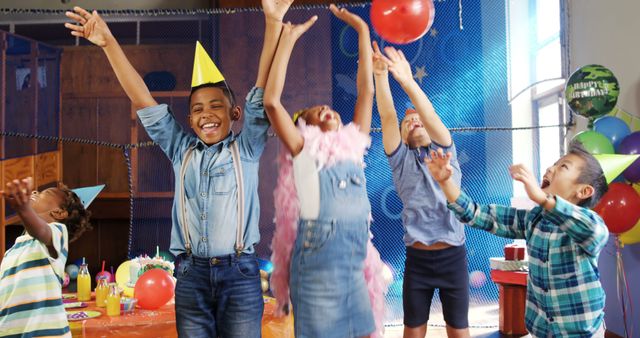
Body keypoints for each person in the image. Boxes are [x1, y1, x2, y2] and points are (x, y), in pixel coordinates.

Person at [64, 1, 289, 336]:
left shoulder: (246, 148)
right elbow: (142, 99)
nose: (207, 114)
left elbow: (261, 89)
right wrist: (109, 42)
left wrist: (272, 22)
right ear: (189, 119)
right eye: (198, 109)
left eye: (216, 106)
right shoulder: (180, 149)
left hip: (239, 274)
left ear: (236, 114)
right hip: (191, 276)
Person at [265, 5, 387, 338]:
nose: (325, 109)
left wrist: (362, 29)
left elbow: (366, 91)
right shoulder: (304, 150)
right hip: (317, 270)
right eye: (314, 114)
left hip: (353, 262)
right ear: (304, 129)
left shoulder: (353, 142)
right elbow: (272, 103)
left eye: (328, 108)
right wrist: (287, 42)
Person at [425, 140, 609, 337]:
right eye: (554, 163)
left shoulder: (591, 226)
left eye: (563, 167)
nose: (550, 168)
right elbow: (478, 214)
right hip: (542, 331)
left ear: (583, 191)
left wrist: (542, 199)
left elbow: (591, 228)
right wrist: (445, 183)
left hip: (582, 333)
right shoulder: (534, 219)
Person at [372, 43, 470, 337]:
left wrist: (408, 82)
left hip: (452, 256)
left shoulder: (444, 152)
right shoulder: (401, 161)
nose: (413, 121)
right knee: (413, 331)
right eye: (407, 122)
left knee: (458, 331)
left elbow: (429, 117)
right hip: (417, 260)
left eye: (419, 120)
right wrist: (380, 77)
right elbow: (389, 117)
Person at [0, 177, 91, 337]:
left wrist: (23, 209)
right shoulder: (12, 251)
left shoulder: (57, 234)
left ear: (59, 213)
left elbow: (41, 231)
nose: (35, 191)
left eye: (43, 192)